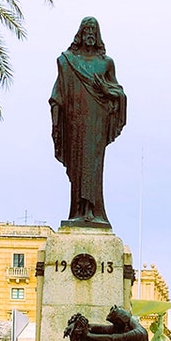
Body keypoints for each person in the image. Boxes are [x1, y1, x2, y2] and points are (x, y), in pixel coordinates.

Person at [50, 17, 127, 227]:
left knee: (93, 167)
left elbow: (119, 93)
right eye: (87, 29)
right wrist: (56, 112)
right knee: (77, 168)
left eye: (94, 29)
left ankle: (94, 211)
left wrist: (105, 90)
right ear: (81, 33)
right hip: (75, 122)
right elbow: (57, 92)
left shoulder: (106, 63)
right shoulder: (67, 61)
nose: (91, 33)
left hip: (96, 123)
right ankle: (77, 212)